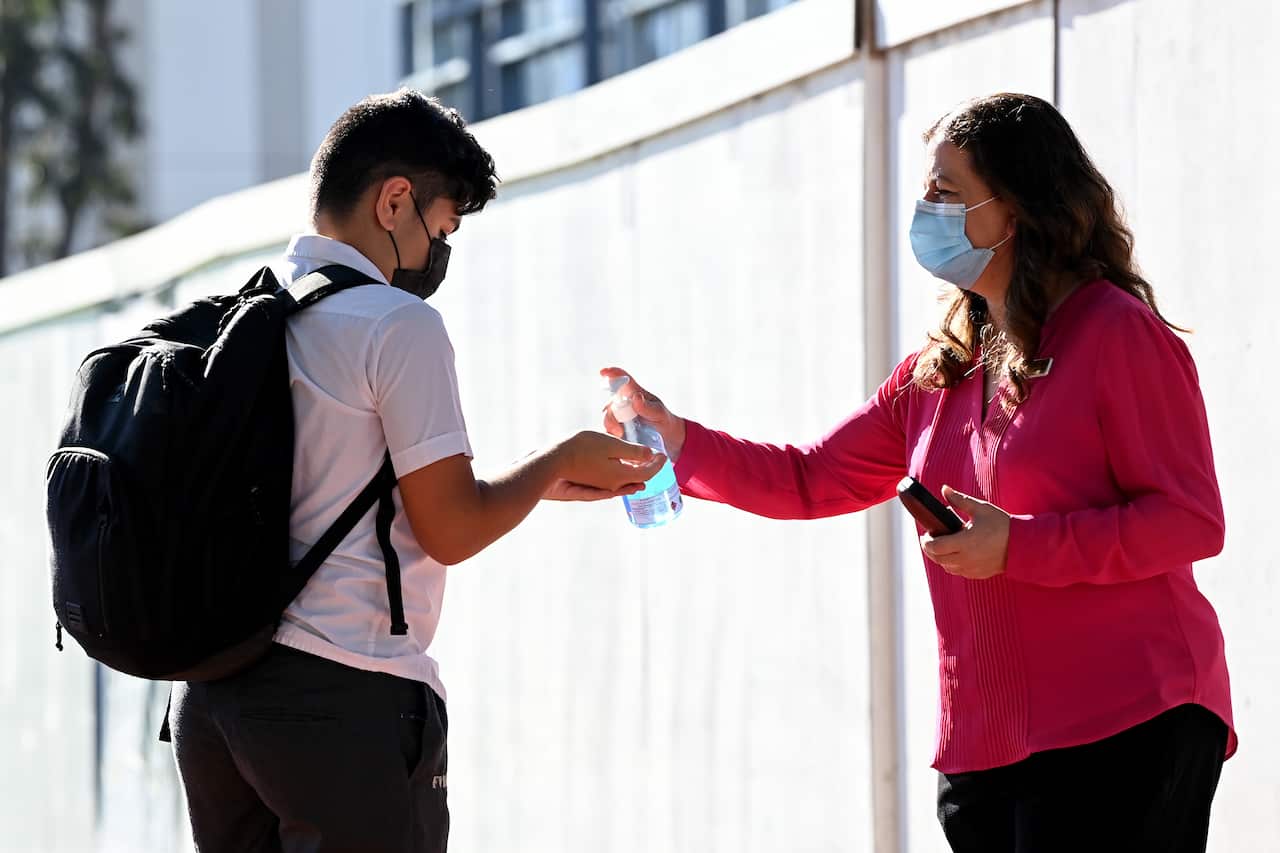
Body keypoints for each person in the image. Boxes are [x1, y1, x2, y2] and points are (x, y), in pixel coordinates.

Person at [603, 93, 1234, 853]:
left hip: (1128, 721)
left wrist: (1021, 547)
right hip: (984, 747)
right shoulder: (941, 367)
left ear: (1017, 211)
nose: (925, 208)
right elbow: (810, 478)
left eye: (947, 191)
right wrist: (677, 437)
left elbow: (1190, 519)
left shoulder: (1116, 333)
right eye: (925, 188)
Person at [167, 89, 664, 853]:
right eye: (444, 225)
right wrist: (556, 460)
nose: (442, 250)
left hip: (215, 702)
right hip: (342, 696)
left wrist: (534, 482)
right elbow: (451, 527)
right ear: (395, 200)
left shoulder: (253, 313)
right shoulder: (399, 324)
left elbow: (351, 494)